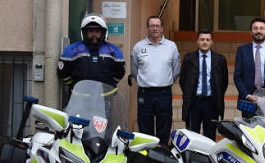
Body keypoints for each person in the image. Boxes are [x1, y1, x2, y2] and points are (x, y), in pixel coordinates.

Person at [130, 15, 181, 145]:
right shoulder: (138, 47)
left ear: (162, 28)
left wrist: (166, 81)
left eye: (157, 26)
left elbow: (176, 70)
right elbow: (135, 70)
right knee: (144, 127)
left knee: (164, 128)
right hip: (144, 94)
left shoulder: (171, 46)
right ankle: (147, 158)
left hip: (164, 93)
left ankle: (162, 155)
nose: (154, 28)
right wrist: (144, 81)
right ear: (147, 28)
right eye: (151, 25)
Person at [179, 29, 228, 140]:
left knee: (210, 137)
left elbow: (223, 83)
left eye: (207, 40)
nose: (205, 42)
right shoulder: (189, 59)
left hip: (211, 104)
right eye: (202, 39)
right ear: (197, 41)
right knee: (191, 137)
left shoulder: (220, 60)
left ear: (212, 42)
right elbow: (183, 81)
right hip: (193, 103)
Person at [58, 13, 125, 88]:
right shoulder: (71, 50)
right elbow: (63, 73)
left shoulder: (115, 51)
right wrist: (74, 85)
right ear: (84, 32)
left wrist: (109, 85)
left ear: (103, 32)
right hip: (79, 97)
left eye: (97, 31)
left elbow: (120, 74)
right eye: (90, 31)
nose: (94, 34)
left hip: (105, 97)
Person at [234, 17, 265, 117]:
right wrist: (248, 96)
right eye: (255, 28)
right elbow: (237, 77)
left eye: (262, 28)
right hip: (248, 102)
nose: (258, 31)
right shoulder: (242, 50)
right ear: (250, 32)